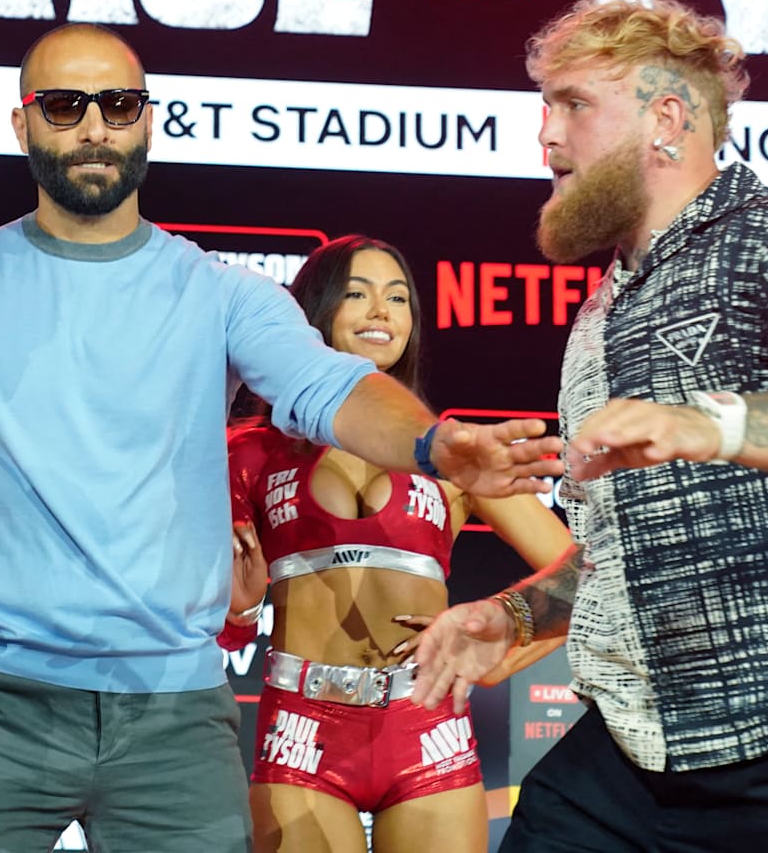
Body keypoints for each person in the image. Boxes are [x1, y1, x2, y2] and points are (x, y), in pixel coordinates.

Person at [0, 22, 566, 853]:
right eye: (65, 105)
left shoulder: (225, 297)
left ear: (147, 121)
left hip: (175, 716)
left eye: (118, 105)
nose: (93, 128)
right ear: (22, 125)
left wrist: (434, 444)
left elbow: (325, 387)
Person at [411, 0, 768, 852]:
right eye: (545, 107)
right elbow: (628, 550)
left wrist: (713, 428)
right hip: (637, 756)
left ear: (667, 118)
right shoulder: (600, 313)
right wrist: (514, 618)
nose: (545, 137)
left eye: (574, 105)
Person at [222, 234, 576, 853]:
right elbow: (214, 626)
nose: (381, 312)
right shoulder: (249, 452)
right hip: (301, 730)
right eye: (357, 294)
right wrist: (242, 609)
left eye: (397, 298)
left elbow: (582, 573)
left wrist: (501, 640)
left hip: (428, 728)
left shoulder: (453, 453)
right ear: (316, 311)